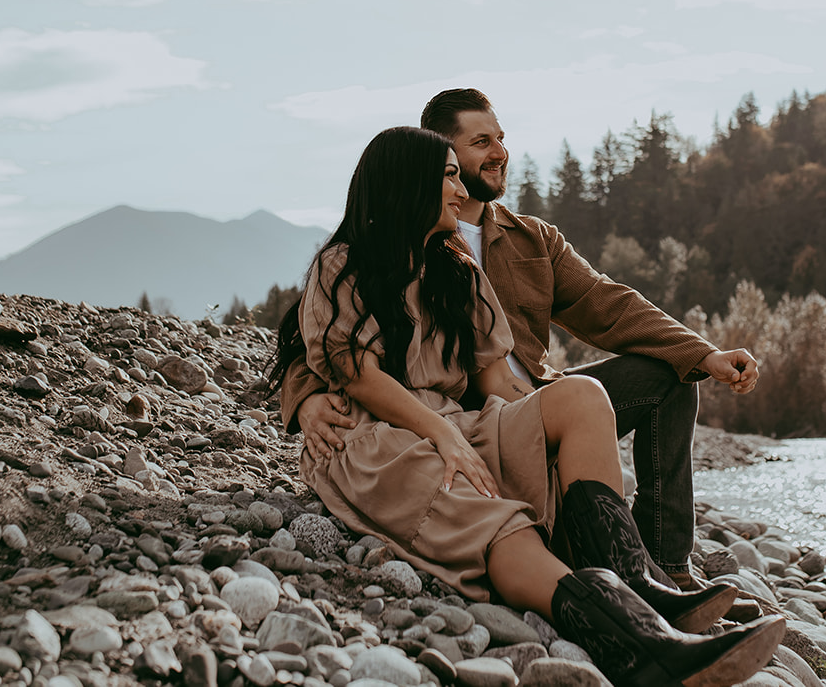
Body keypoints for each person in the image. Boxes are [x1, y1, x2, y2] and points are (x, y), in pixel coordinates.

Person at [267, 126, 785, 687]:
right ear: (408, 183)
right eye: (447, 174)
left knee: (582, 397)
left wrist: (550, 428)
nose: (458, 188)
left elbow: (501, 379)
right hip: (376, 442)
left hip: (455, 421)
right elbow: (357, 375)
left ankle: (636, 581)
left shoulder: (457, 268)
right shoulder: (343, 264)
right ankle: (641, 644)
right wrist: (435, 435)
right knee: (499, 521)